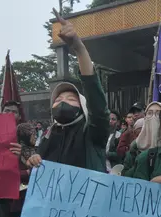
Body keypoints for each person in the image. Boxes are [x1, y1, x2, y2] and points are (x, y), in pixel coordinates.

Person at [26, 9, 110, 172]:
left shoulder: (92, 134)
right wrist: (34, 161)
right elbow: (40, 171)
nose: (63, 101)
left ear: (83, 108)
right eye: (58, 99)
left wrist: (78, 48)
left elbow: (97, 104)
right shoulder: (48, 136)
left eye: (71, 99)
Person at [122, 101, 161, 176]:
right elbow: (125, 175)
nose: (153, 117)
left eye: (158, 113)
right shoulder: (135, 148)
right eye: (150, 113)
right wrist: (138, 165)